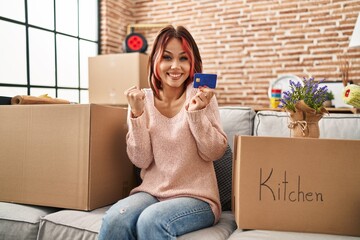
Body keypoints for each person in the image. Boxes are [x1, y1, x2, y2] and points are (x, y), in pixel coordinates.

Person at [98, 25, 228, 240]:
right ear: (155, 61)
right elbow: (141, 160)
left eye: (184, 59)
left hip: (197, 197)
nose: (175, 66)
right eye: (167, 57)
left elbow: (214, 152)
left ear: (192, 63)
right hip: (151, 192)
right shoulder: (141, 101)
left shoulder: (202, 97)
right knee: (115, 219)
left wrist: (196, 114)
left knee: (152, 220)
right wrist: (138, 115)